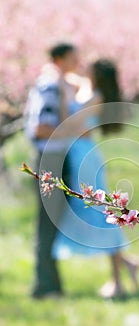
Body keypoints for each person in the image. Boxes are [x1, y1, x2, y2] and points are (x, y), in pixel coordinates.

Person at [50, 59, 139, 298]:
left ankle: (117, 281)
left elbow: (71, 125)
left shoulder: (95, 96)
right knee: (93, 212)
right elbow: (68, 78)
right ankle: (127, 265)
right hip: (77, 154)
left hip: (84, 157)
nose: (83, 66)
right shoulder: (87, 88)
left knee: (101, 214)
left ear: (97, 73)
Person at [24, 43, 79, 299]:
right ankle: (44, 285)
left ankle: (52, 284)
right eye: (72, 56)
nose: (77, 60)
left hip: (56, 157)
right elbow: (42, 128)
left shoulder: (57, 82)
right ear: (59, 58)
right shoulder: (49, 84)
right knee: (48, 222)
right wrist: (73, 129)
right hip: (51, 159)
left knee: (53, 221)